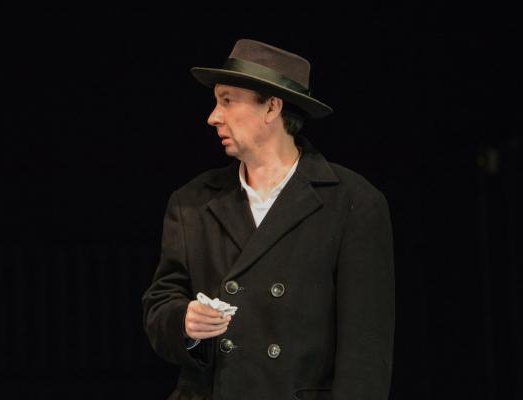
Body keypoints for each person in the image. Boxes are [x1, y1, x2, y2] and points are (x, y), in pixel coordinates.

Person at [142, 38, 394, 400]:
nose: (213, 117)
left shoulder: (352, 202)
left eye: (227, 100)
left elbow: (365, 353)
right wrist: (184, 321)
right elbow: (159, 305)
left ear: (272, 107)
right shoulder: (192, 202)